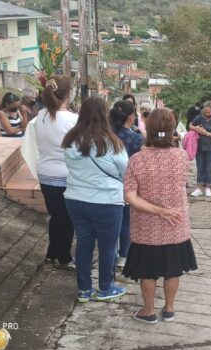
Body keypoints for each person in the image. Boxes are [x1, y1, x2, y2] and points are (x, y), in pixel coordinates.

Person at [122, 108, 198, 324]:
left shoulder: (137, 160)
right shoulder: (182, 157)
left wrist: (158, 210)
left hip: (146, 228)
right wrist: (165, 211)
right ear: (172, 129)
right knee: (173, 270)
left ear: (149, 127)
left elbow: (129, 196)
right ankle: (169, 309)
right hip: (176, 224)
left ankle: (148, 311)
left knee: (148, 272)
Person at [62, 97, 128, 302]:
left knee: (83, 244)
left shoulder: (70, 140)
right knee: (108, 246)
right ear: (104, 115)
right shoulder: (112, 142)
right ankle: (106, 288)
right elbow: (125, 171)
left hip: (75, 199)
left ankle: (84, 290)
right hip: (106, 202)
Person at [34, 76, 77, 270]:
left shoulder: (41, 116)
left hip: (45, 174)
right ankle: (64, 257)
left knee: (56, 216)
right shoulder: (72, 119)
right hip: (66, 175)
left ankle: (52, 253)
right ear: (68, 94)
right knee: (66, 219)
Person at [110, 100, 144, 269]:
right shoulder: (136, 138)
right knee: (126, 221)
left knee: (110, 221)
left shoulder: (105, 134)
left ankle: (110, 253)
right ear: (131, 117)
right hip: (128, 184)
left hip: (106, 183)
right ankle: (124, 255)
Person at [190, 101, 211, 197]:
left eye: (208, 112)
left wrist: (207, 133)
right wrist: (196, 128)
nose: (206, 114)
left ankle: (208, 187)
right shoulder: (200, 117)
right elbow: (190, 125)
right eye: (205, 111)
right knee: (200, 168)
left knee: (208, 168)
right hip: (199, 147)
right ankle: (199, 187)